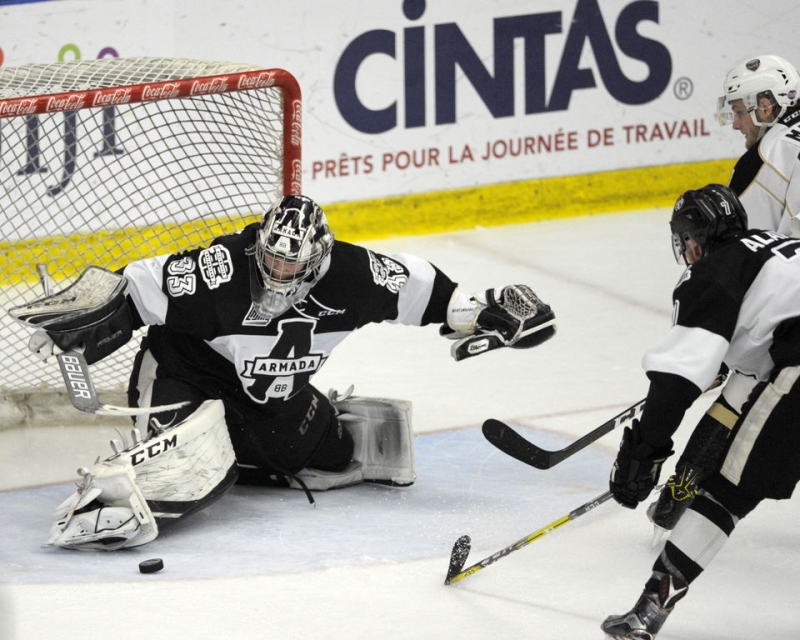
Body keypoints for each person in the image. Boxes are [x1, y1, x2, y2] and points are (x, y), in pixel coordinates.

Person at [10, 194, 556, 551]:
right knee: (183, 479)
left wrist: (490, 312)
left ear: (318, 259)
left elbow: (431, 293)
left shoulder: (355, 276)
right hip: (187, 371)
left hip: (271, 388)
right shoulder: (219, 271)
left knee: (335, 458)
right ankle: (178, 459)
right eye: (270, 260)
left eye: (291, 266)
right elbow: (133, 289)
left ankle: (241, 444)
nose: (276, 273)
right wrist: (88, 316)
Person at [602, 184, 800, 638]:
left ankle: (649, 609)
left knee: (727, 493)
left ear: (694, 239)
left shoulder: (712, 273)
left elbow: (675, 381)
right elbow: (742, 397)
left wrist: (643, 453)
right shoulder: (779, 250)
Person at [647, 54, 800, 532]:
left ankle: (682, 491)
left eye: (740, 110)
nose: (735, 123)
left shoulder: (769, 156)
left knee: (745, 384)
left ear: (768, 106)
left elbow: (736, 256)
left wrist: (714, 341)